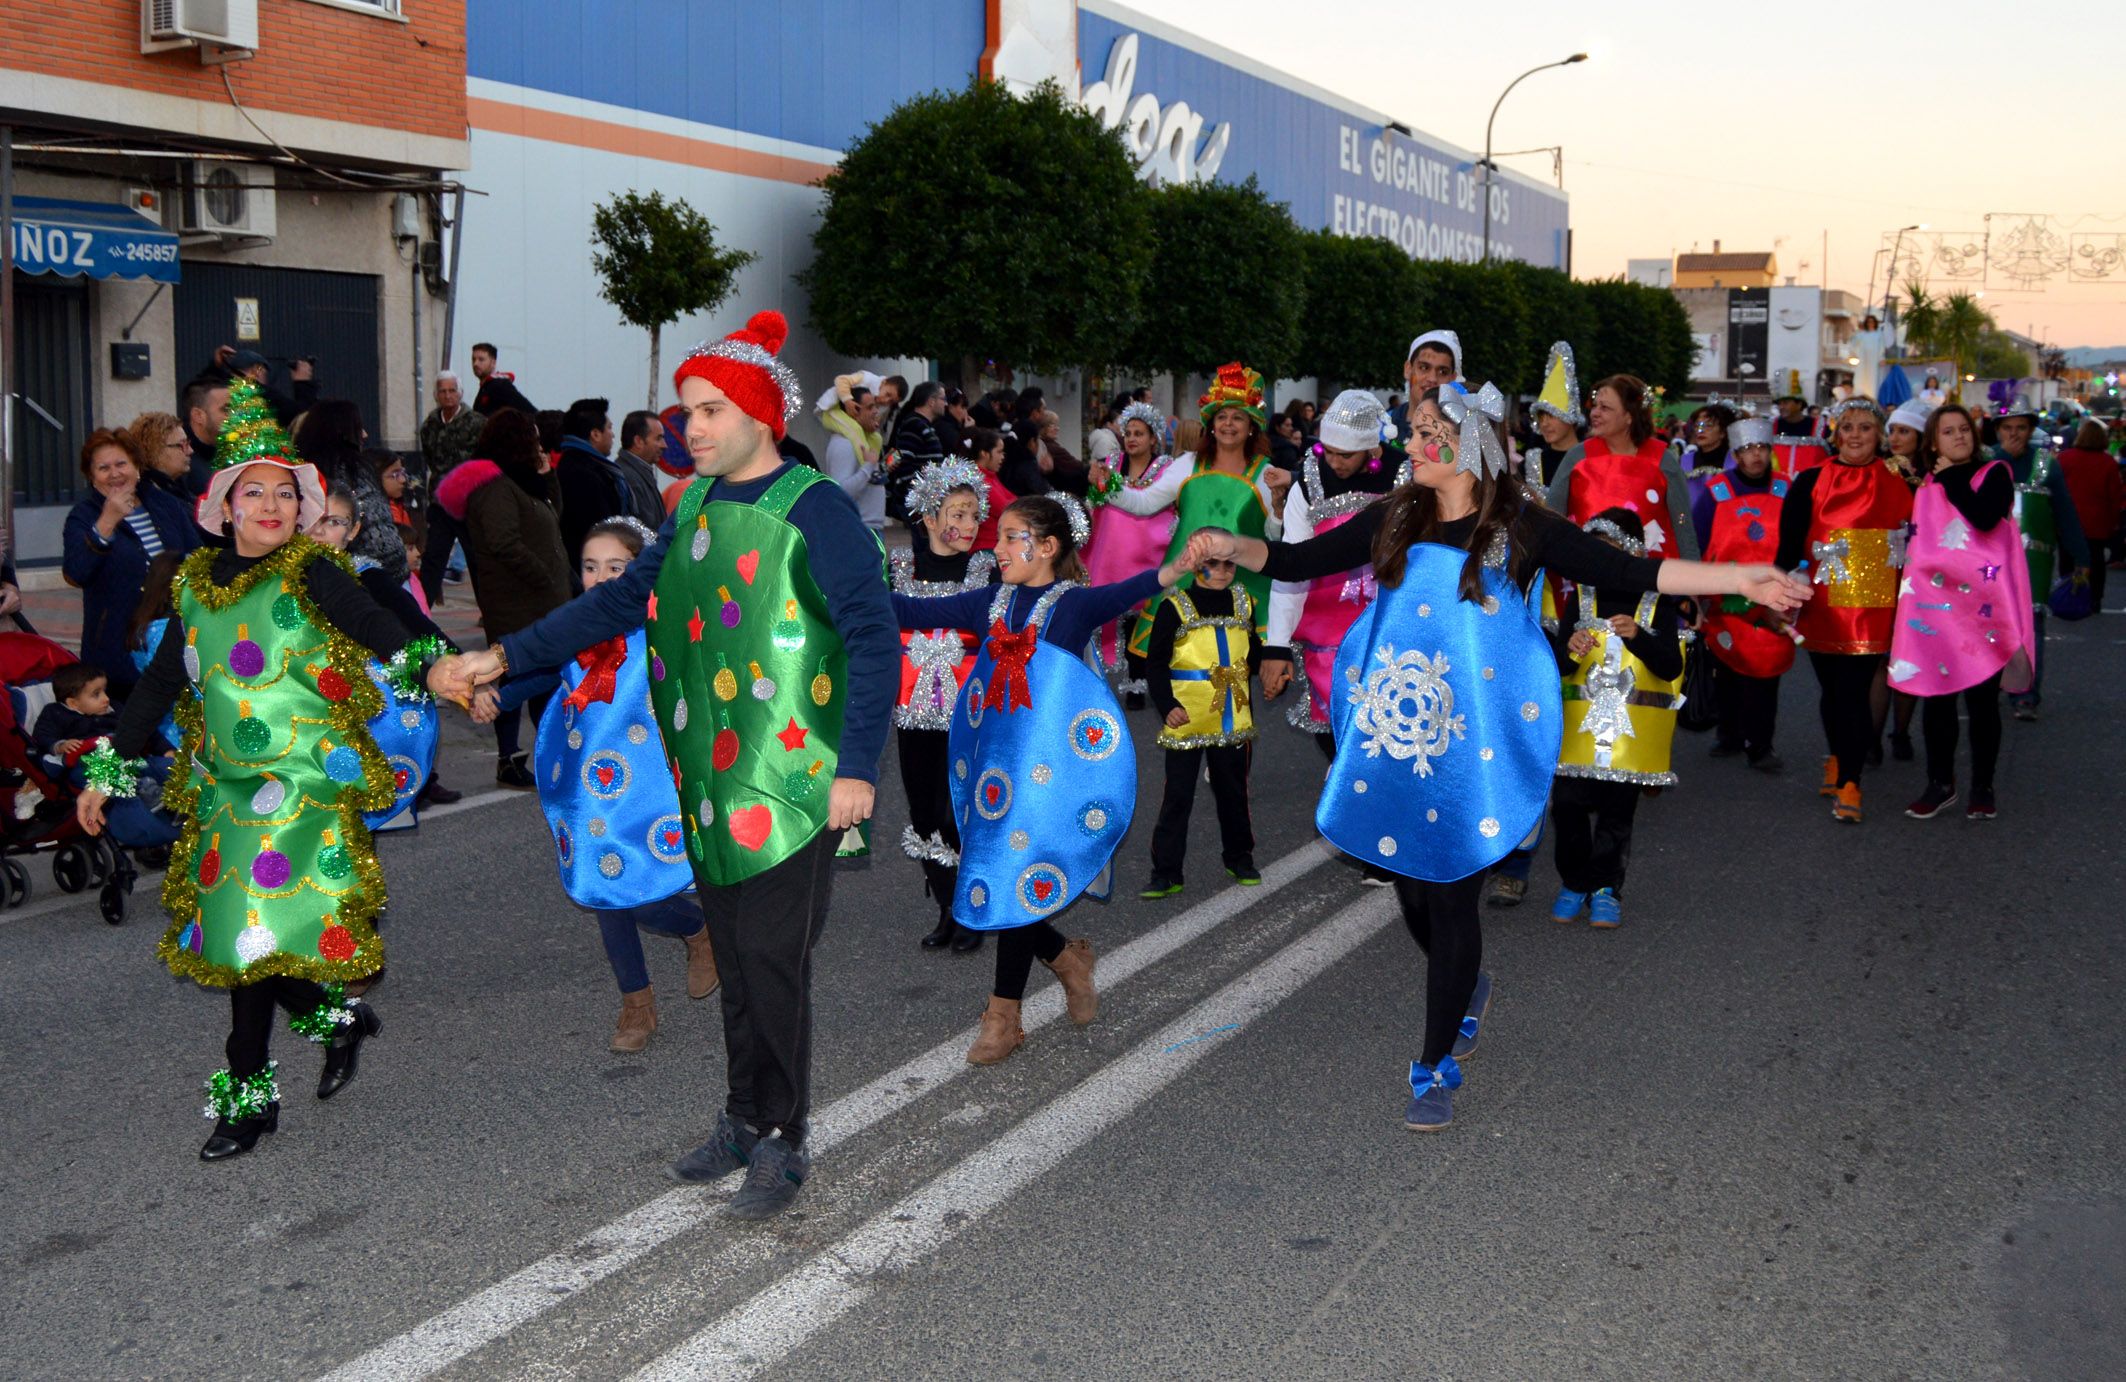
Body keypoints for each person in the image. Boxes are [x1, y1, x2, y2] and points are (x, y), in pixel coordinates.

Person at [1191, 382, 1808, 1131]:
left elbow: (1637, 573)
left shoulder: (1518, 525)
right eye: (1412, 432)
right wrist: (1229, 545)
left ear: (1471, 444)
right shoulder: (1393, 516)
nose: (1412, 445)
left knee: (1450, 893)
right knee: (1412, 893)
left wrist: (1740, 577)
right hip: (1397, 731)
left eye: (1426, 433)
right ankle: (1469, 986)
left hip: (1470, 747)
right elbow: (1291, 560)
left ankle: (1433, 1063)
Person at [442, 310, 899, 1221]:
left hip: (795, 778)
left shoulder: (813, 508)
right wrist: (504, 656)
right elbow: (613, 610)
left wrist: (856, 766)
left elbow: (872, 636)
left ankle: (782, 1137)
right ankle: (742, 1115)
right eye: (685, 410)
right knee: (733, 950)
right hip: (708, 776)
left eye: (711, 410)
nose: (691, 427)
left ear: (762, 418)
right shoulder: (690, 505)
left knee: (772, 957)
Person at [74, 378, 460, 1161]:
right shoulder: (194, 583)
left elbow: (375, 623)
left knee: (248, 946)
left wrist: (435, 666)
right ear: (223, 504)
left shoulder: (311, 573)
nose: (273, 506)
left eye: (287, 494)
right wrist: (104, 773)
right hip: (224, 788)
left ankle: (247, 1104)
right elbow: (158, 685)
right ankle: (337, 1020)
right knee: (231, 942)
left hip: (301, 787)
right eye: (256, 492)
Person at [887, 496, 1199, 1066]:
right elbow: (909, 611)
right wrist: (836, 593)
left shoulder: (1071, 605)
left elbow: (1126, 592)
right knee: (1004, 871)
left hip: (1049, 774)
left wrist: (1173, 570)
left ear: (1048, 547)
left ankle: (1002, 1016)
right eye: (999, 537)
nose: (997, 548)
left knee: (1013, 869)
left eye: (1011, 537)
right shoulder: (991, 602)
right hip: (997, 772)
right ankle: (1064, 957)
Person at [472, 517, 719, 1050]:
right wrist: (498, 693)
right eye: (589, 567)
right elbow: (542, 668)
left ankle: (697, 931)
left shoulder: (661, 625)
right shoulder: (575, 627)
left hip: (649, 785)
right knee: (601, 883)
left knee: (645, 892)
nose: (600, 578)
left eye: (616, 567)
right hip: (586, 784)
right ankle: (637, 1005)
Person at [1890, 404, 2033, 822]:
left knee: (1983, 702)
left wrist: (1950, 474)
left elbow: (1984, 517)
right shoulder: (1928, 484)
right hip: (1935, 608)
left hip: (1983, 608)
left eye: (1964, 430)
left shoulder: (1995, 474)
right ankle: (1940, 782)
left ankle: (1983, 785)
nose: (1959, 437)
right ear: (1934, 442)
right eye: (1948, 432)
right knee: (1937, 698)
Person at [1548, 509, 1688, 928]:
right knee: (1568, 807)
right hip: (1578, 733)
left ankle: (1606, 888)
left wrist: (1639, 637)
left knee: (1616, 812)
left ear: (1630, 552)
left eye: (1608, 551)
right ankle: (1575, 881)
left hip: (1631, 738)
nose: (1598, 561)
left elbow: (1668, 668)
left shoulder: (1654, 599)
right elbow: (1558, 666)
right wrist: (1571, 647)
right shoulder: (1581, 595)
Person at [1775, 398, 1913, 822]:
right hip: (1822, 597)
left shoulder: (1899, 479)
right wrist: (1777, 592)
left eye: (1865, 428)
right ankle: (1837, 757)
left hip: (1872, 601)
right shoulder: (1811, 480)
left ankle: (1851, 782)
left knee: (1853, 692)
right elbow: (1788, 543)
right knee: (1832, 691)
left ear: (1879, 435)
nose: (1855, 435)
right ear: (1836, 433)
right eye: (1848, 426)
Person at [890, 459, 998, 954]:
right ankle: (947, 907)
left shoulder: (988, 570)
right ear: (929, 517)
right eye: (957, 513)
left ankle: (971, 911)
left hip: (970, 711)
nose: (968, 525)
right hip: (912, 712)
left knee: (960, 808)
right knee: (923, 808)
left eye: (974, 515)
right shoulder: (896, 569)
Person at [435, 409, 572, 788]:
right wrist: (542, 574)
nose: (539, 443)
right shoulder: (495, 486)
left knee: (543, 679)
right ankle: (509, 759)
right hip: (516, 602)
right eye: (532, 436)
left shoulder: (523, 481)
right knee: (515, 675)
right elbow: (502, 541)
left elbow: (551, 519)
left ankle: (543, 755)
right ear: (517, 439)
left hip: (540, 601)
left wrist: (549, 478)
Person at [1261, 389, 1402, 748]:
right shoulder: (1310, 480)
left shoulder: (1407, 475)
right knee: (1338, 741)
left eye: (1345, 454)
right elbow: (1292, 563)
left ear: (1373, 448)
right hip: (1326, 638)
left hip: (1391, 633)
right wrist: (1276, 645)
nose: (1334, 463)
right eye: (1328, 451)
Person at [308, 481, 461, 811]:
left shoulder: (365, 576)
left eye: (334, 522)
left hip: (357, 707)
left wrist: (457, 669)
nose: (321, 531)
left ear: (354, 530)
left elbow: (412, 627)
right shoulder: (285, 575)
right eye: (315, 519)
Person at [1120, 363, 1290, 661]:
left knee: (1232, 674)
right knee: (1182, 672)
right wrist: (1106, 486)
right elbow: (1144, 503)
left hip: (1242, 591)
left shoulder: (1266, 473)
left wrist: (1278, 509)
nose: (1228, 424)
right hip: (1185, 582)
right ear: (1211, 425)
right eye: (1221, 416)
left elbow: (1272, 538)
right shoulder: (1187, 464)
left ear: (1251, 427)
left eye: (1237, 417)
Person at [1142, 535, 1258, 899]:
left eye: (1229, 564)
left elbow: (1252, 653)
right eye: (1212, 564)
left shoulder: (1245, 603)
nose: (1222, 572)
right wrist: (1167, 705)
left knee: (1233, 791)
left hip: (1233, 717)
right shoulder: (1174, 606)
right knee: (1178, 795)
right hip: (1187, 717)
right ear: (1194, 565)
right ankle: (1167, 871)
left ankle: (1239, 857)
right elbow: (1156, 663)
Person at [61, 429, 202, 698]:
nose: (114, 474)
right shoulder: (83, 516)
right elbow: (76, 572)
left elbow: (197, 555)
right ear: (91, 476)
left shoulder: (165, 504)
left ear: (137, 467)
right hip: (118, 647)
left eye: (121, 464)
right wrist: (106, 522)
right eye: (103, 468)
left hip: (176, 635)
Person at [1698, 416, 1794, 770]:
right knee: (1728, 669)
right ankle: (1730, 733)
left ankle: (1761, 744)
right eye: (1747, 450)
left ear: (1770, 451)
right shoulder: (1716, 491)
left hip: (1773, 594)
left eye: (1761, 448)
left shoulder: (1787, 488)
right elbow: (1699, 538)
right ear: (1736, 455)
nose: (1755, 456)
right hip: (1727, 595)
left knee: (1766, 672)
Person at [1992, 398, 2087, 721]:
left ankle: (2026, 695)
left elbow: (2064, 511)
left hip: (2034, 561)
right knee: (1989, 623)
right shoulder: (1988, 461)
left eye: (2021, 428)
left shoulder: (2047, 464)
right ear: (1998, 430)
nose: (2014, 434)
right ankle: (1988, 685)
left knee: (2031, 628)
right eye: (2008, 428)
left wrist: (2080, 555)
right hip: (1991, 559)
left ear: (2031, 430)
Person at [1084, 401, 1183, 697]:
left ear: (1154, 438)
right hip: (1112, 551)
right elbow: (1096, 501)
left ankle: (1139, 682)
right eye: (1128, 433)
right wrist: (1095, 485)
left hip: (1149, 552)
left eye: (1139, 433)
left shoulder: (1166, 468)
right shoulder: (1112, 463)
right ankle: (1101, 679)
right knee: (1113, 611)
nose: (1132, 439)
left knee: (1143, 615)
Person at [1546, 375, 1699, 558]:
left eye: (1605, 408)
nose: (1594, 413)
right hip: (1585, 575)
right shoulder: (1578, 456)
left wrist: (1691, 579)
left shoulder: (1663, 461)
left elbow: (1683, 528)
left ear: (1629, 416)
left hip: (1649, 578)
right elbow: (1551, 518)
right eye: (1594, 406)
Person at [293, 402, 409, 584]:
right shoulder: (354, 471)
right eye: (358, 428)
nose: (364, 434)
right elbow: (381, 540)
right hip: (368, 578)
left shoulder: (300, 472)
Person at [418, 371, 485, 602]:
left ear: (461, 393)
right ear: (436, 395)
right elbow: (430, 457)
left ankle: (489, 614)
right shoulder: (430, 425)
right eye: (443, 391)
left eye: (452, 391)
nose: (448, 396)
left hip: (468, 502)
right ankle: (422, 612)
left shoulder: (476, 422)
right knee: (433, 558)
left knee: (476, 560)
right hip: (440, 502)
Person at [553, 397, 635, 568]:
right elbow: (596, 528)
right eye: (609, 428)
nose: (612, 434)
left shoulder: (586, 466)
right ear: (595, 434)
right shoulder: (581, 474)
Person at [2056, 417, 2124, 606]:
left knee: (2067, 558)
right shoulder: (2108, 462)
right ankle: (2094, 598)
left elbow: (2056, 488)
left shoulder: (2065, 458)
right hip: (2097, 520)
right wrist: (2114, 522)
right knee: (2095, 560)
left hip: (2069, 519)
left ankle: (2067, 594)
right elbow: (2115, 495)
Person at [820, 382, 888, 533]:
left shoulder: (864, 440)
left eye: (876, 406)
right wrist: (868, 467)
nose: (876, 411)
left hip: (869, 529)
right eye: (870, 407)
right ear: (854, 410)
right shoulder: (844, 444)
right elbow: (841, 492)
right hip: (858, 529)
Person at [882, 381, 949, 523]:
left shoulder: (924, 426)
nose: (946, 404)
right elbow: (905, 465)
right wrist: (922, 496)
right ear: (931, 401)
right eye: (943, 399)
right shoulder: (914, 425)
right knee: (925, 544)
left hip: (926, 500)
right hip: (920, 501)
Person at [1523, 341, 1585, 491]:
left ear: (1569, 417)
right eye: (1541, 417)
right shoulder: (1532, 462)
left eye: (1551, 416)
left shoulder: (1591, 461)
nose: (1544, 424)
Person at [1386, 330, 1462, 439]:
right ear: (1408, 369)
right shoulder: (1380, 426)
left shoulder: (1460, 435)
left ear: (1452, 378)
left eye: (1443, 372)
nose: (1432, 379)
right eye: (1424, 367)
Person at [613, 410, 678, 528]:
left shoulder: (638, 473)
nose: (664, 445)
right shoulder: (628, 477)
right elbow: (644, 532)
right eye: (658, 438)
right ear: (638, 441)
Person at [126, 410, 208, 504]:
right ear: (156, 450)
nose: (190, 451)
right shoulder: (150, 497)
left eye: (188, 443)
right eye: (182, 445)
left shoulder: (178, 486)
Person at [960, 427, 1016, 552]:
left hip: (995, 543)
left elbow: (1012, 500)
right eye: (999, 452)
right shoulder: (977, 479)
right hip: (984, 548)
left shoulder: (989, 475)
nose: (1003, 457)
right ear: (984, 453)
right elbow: (1006, 508)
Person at [178, 379, 231, 491]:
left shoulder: (230, 453)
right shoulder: (180, 462)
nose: (236, 416)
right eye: (226, 409)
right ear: (198, 416)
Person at [469, 342, 537, 417]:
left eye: (481, 359)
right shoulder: (485, 387)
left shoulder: (500, 385)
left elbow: (528, 409)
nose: (475, 364)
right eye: (473, 359)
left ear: (493, 363)